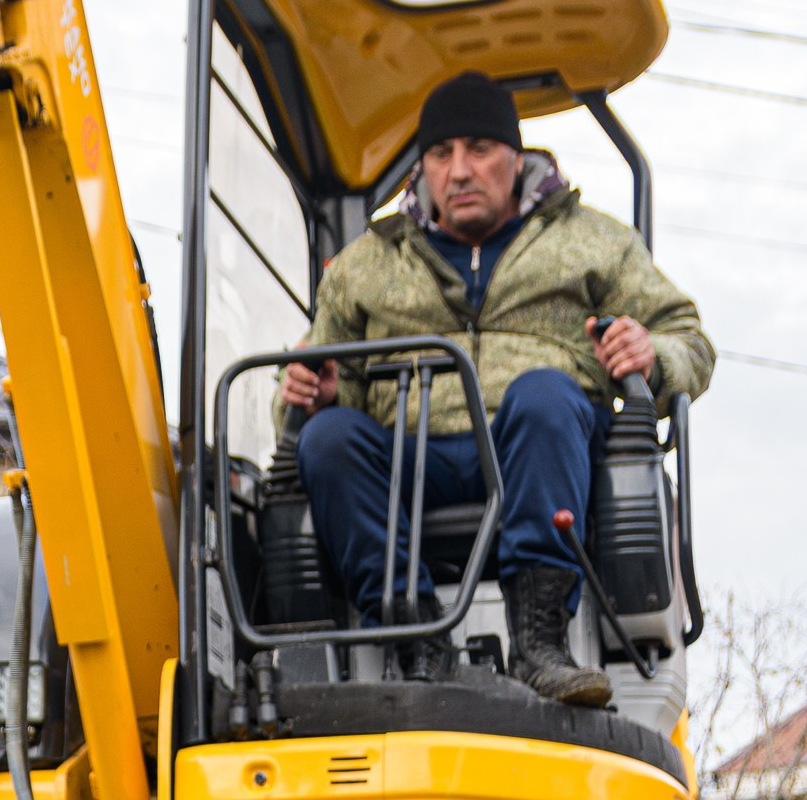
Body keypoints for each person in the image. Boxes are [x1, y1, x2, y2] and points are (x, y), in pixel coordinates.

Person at [279, 70, 715, 706]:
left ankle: (540, 642)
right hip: (411, 459)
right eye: (440, 153)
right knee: (326, 437)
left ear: (516, 158)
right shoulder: (363, 265)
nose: (459, 171)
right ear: (423, 168)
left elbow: (690, 341)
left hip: (542, 450)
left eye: (479, 150)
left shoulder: (593, 241)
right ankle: (415, 641)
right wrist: (312, 392)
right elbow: (315, 379)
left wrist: (653, 353)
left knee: (545, 395)